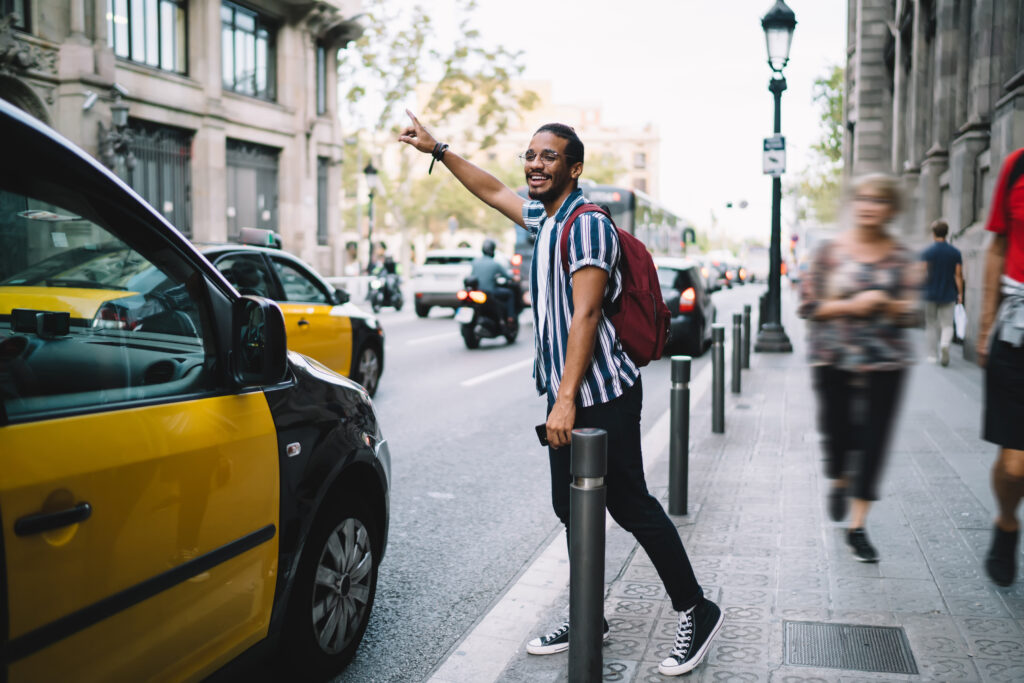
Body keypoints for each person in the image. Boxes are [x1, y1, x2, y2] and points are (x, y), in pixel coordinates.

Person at [398, 111, 722, 676]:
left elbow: (588, 314)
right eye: (530, 155)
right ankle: (588, 613)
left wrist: (567, 398)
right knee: (569, 507)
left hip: (602, 393)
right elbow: (491, 188)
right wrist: (439, 149)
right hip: (566, 392)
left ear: (574, 169)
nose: (534, 164)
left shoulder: (587, 224)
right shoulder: (544, 220)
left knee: (630, 504)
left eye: (548, 157)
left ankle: (697, 608)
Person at [797, 174, 920, 563]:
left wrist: (887, 303)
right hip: (833, 357)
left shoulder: (902, 257)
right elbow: (808, 305)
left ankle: (858, 526)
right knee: (837, 434)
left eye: (879, 200)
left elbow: (914, 311)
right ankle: (838, 477)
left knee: (874, 441)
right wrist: (853, 305)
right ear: (854, 204)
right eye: (863, 198)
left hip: (887, 361)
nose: (870, 205)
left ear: (891, 208)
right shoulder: (829, 251)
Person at [977, 148, 1024, 587]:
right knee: (1014, 465)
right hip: (1016, 332)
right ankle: (1008, 521)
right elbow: (996, 246)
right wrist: (986, 322)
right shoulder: (1016, 165)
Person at [921, 219, 964, 366]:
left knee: (931, 324)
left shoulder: (928, 252)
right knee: (947, 325)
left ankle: (932, 355)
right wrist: (960, 294)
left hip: (931, 293)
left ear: (934, 234)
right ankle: (944, 344)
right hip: (949, 292)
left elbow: (922, 272)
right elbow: (958, 275)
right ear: (947, 233)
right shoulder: (955, 253)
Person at [470, 238, 516, 324]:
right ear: (492, 250)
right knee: (510, 294)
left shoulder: (474, 262)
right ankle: (510, 317)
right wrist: (514, 277)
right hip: (490, 292)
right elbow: (508, 276)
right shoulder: (495, 264)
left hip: (476, 293)